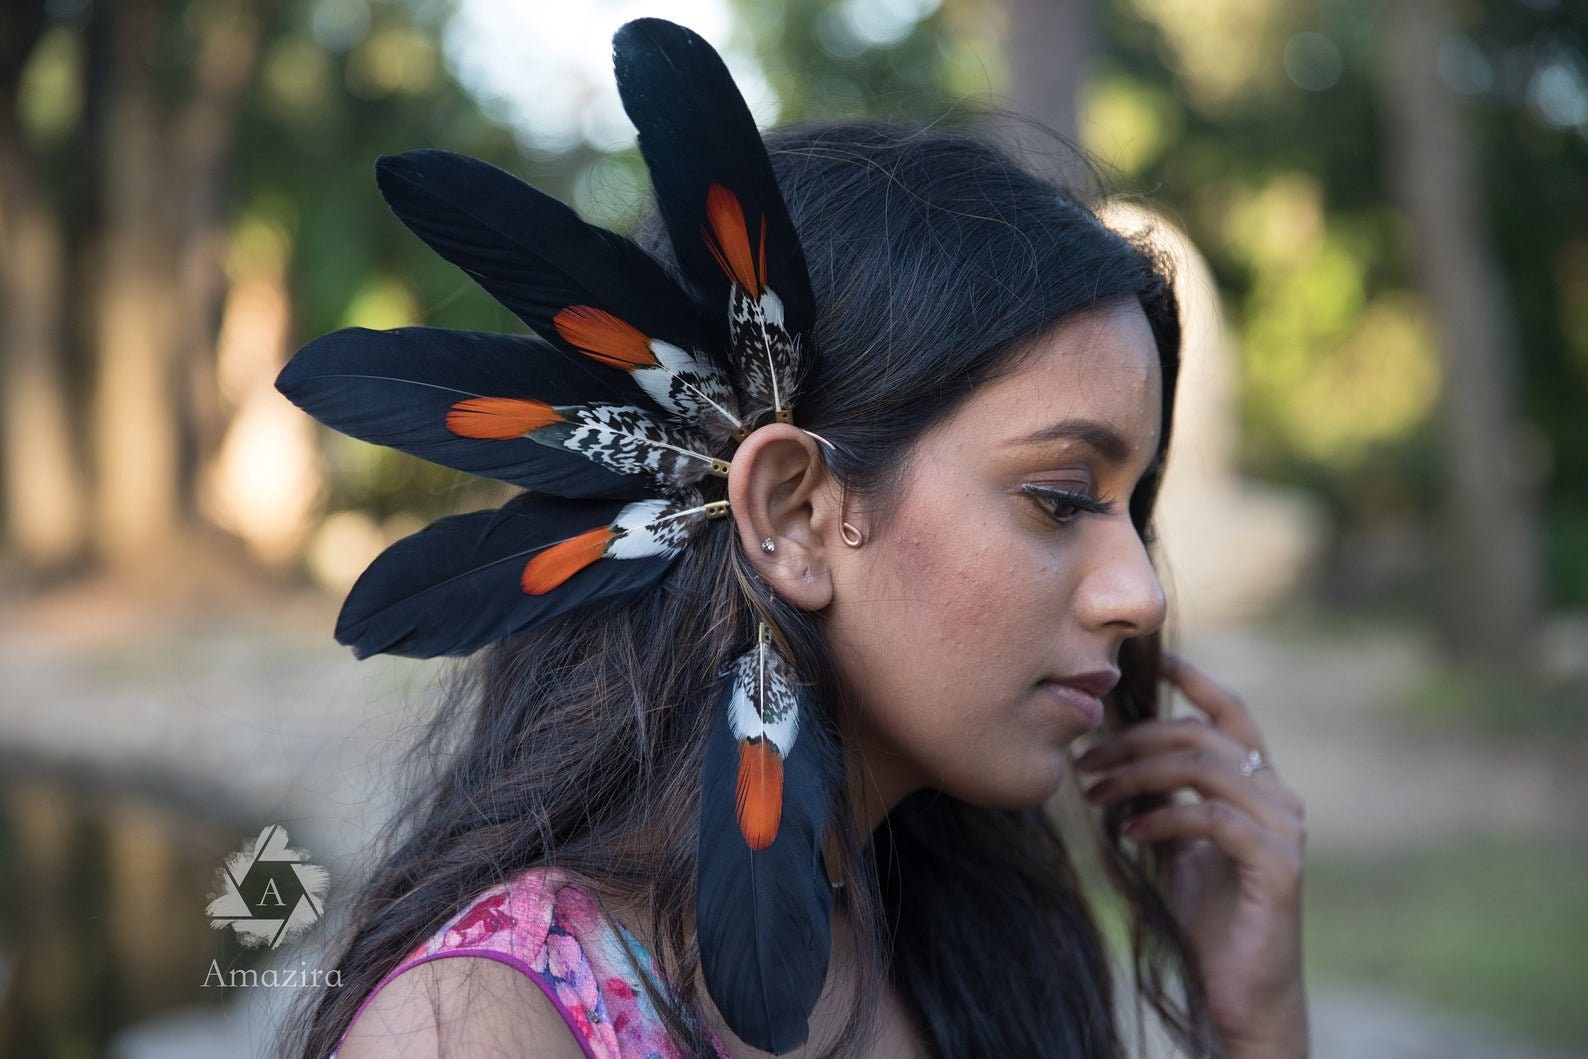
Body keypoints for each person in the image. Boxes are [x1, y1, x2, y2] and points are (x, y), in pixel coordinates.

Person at [279, 19, 1306, 1059]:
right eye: (1059, 496)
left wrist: (1253, 1025)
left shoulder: (967, 944)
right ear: (793, 514)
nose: (1139, 595)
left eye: (1135, 510)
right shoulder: (488, 1031)